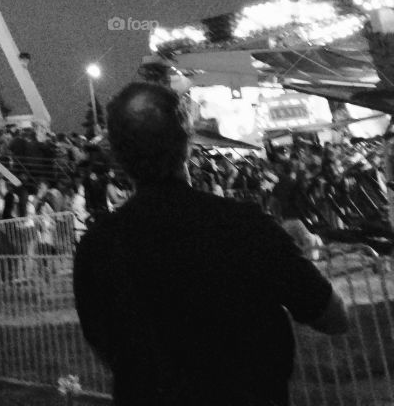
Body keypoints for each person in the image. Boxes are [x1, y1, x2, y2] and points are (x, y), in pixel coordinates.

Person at [74, 82, 348, 406]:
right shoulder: (245, 225)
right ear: (186, 143)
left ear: (117, 153)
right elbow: (331, 315)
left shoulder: (96, 249)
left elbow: (105, 349)